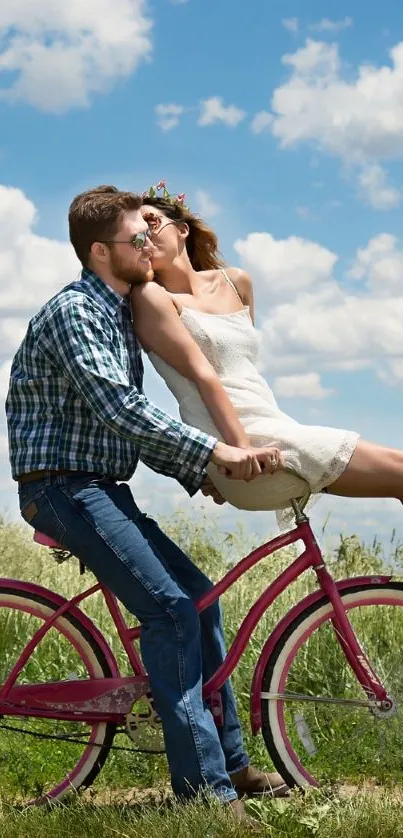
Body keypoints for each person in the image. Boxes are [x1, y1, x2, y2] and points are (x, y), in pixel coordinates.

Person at [5, 185, 290, 822]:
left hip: (100, 486)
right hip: (63, 488)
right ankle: (206, 795)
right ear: (102, 251)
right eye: (140, 237)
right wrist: (217, 453)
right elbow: (122, 410)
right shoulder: (77, 312)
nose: (150, 246)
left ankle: (233, 764)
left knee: (202, 601)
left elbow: (124, 428)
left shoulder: (116, 313)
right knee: (172, 613)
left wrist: (200, 473)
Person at [130, 184, 403, 520]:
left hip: (272, 425)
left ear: (182, 229)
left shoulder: (236, 282)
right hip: (239, 442)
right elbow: (204, 376)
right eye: (136, 235)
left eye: (152, 222)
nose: (145, 236)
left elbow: (246, 371)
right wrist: (237, 450)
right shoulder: (151, 296)